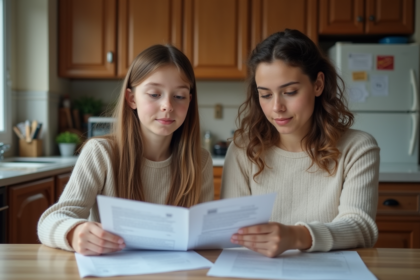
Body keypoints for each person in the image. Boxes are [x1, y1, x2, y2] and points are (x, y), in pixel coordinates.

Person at [38, 45, 214, 255]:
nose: (167, 105)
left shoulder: (200, 160)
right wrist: (74, 233)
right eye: (154, 94)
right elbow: (50, 221)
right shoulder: (100, 152)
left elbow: (204, 235)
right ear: (132, 99)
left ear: (190, 101)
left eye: (179, 96)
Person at [221, 29, 379, 257]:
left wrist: (296, 236)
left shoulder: (358, 147)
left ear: (318, 85)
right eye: (265, 95)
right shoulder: (243, 150)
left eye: (290, 92)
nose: (277, 107)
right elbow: (232, 233)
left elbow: (360, 227)